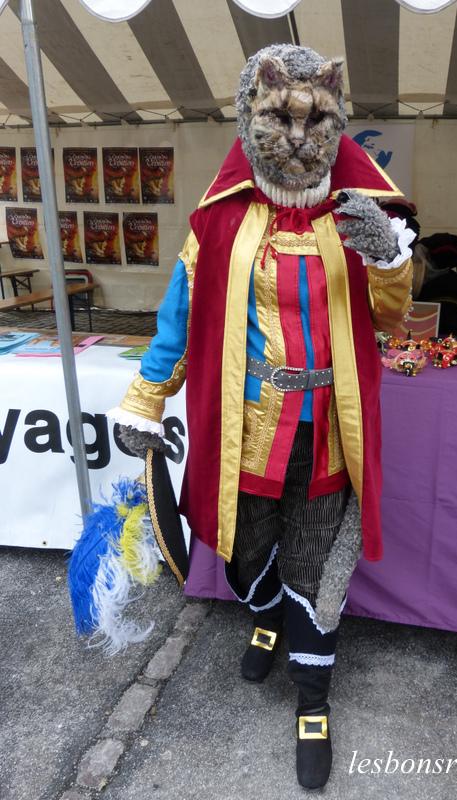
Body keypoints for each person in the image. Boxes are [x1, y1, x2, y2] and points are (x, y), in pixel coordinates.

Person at [109, 44, 414, 789]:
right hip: (248, 429)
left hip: (327, 437)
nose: (303, 136)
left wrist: (391, 263)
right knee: (247, 554)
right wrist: (146, 398)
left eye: (319, 119)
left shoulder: (362, 215)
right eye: (283, 115)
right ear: (252, 115)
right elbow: (179, 321)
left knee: (318, 568)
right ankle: (267, 613)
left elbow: (391, 321)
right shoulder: (220, 221)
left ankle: (314, 700)